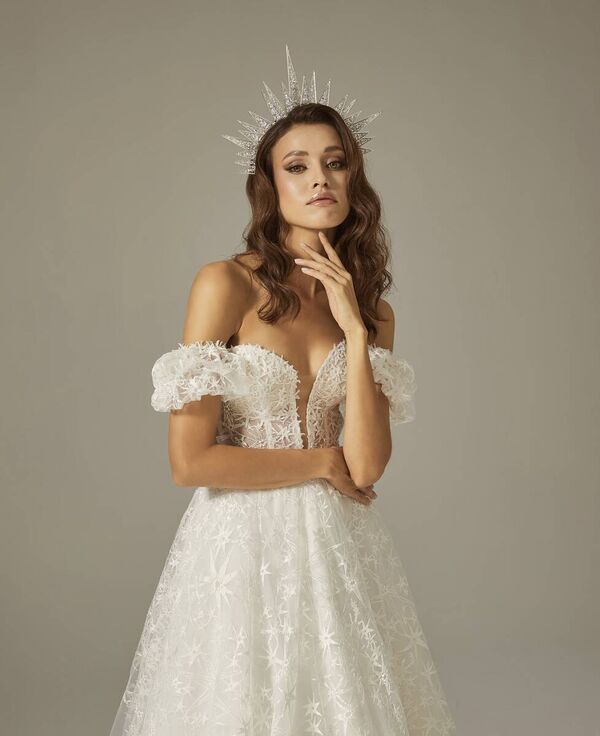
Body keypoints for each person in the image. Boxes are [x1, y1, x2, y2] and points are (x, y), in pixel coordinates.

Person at [109, 46, 456, 736]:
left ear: (354, 179)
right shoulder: (226, 284)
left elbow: (366, 467)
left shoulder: (374, 312)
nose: (319, 177)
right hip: (241, 548)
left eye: (335, 161)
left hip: (340, 550)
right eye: (296, 165)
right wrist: (319, 462)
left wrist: (354, 329)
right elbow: (190, 461)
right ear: (269, 186)